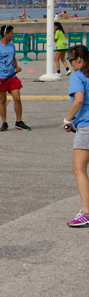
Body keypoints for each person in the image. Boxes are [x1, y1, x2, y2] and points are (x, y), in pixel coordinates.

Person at [62, 45, 89, 227]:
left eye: (70, 61)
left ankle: (86, 211)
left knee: (78, 169)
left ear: (78, 59)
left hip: (86, 126)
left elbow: (79, 99)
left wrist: (68, 119)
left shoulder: (77, 76)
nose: (70, 64)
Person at [0, 25, 30, 131]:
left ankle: (19, 121)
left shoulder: (12, 46)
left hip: (12, 76)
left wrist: (16, 67)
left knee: (17, 98)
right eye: (12, 33)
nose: (13, 35)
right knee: (2, 100)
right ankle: (4, 122)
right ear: (6, 34)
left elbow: (13, 58)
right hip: (1, 77)